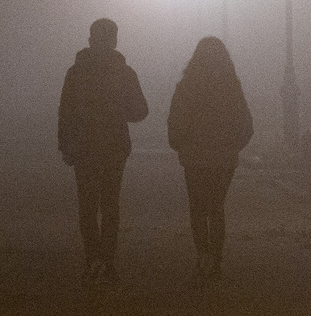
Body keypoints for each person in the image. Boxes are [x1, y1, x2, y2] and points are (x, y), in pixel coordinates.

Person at [58, 17, 146, 285]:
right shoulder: (124, 72)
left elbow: (65, 113)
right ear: (115, 40)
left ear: (90, 40)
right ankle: (108, 260)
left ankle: (92, 259)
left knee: (87, 205)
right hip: (114, 146)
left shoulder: (76, 73)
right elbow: (140, 111)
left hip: (83, 147)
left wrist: (65, 144)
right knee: (110, 205)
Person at [167, 35, 254, 280]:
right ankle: (215, 258)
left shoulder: (186, 86)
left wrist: (180, 144)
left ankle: (203, 254)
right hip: (223, 157)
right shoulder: (231, 86)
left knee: (197, 208)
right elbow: (246, 124)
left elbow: (176, 120)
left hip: (194, 156)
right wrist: (234, 145)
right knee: (216, 207)